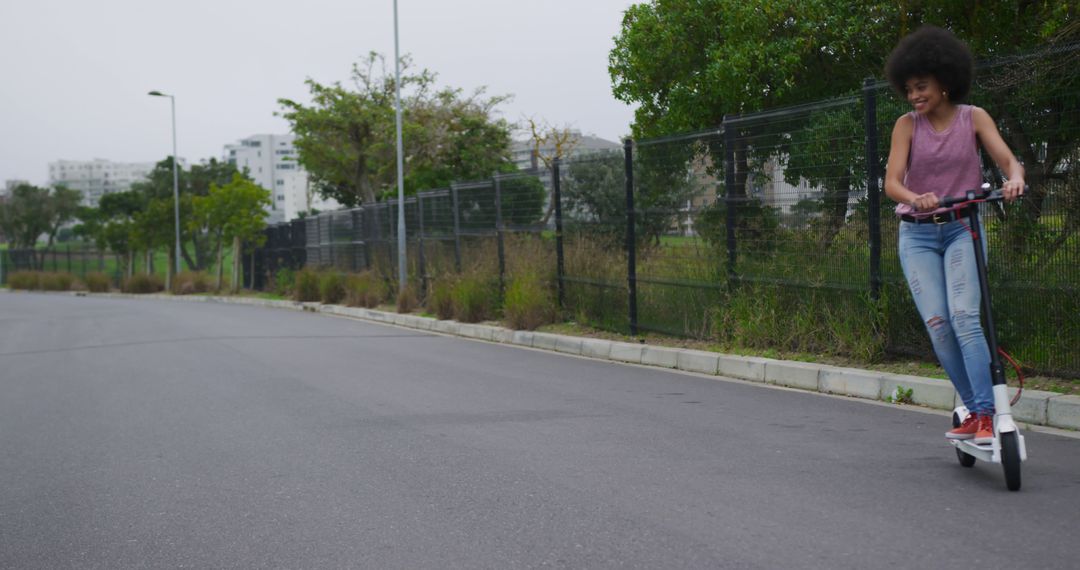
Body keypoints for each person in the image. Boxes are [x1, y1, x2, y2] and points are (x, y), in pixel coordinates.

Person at [884, 25, 1024, 444]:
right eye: (908, 89)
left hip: (964, 228)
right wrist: (916, 196)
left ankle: (985, 414)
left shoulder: (973, 117)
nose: (914, 96)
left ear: (944, 82)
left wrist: (1014, 179)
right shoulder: (906, 126)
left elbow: (1008, 161)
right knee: (939, 323)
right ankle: (972, 407)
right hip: (917, 235)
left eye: (921, 87)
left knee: (965, 317)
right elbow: (891, 183)